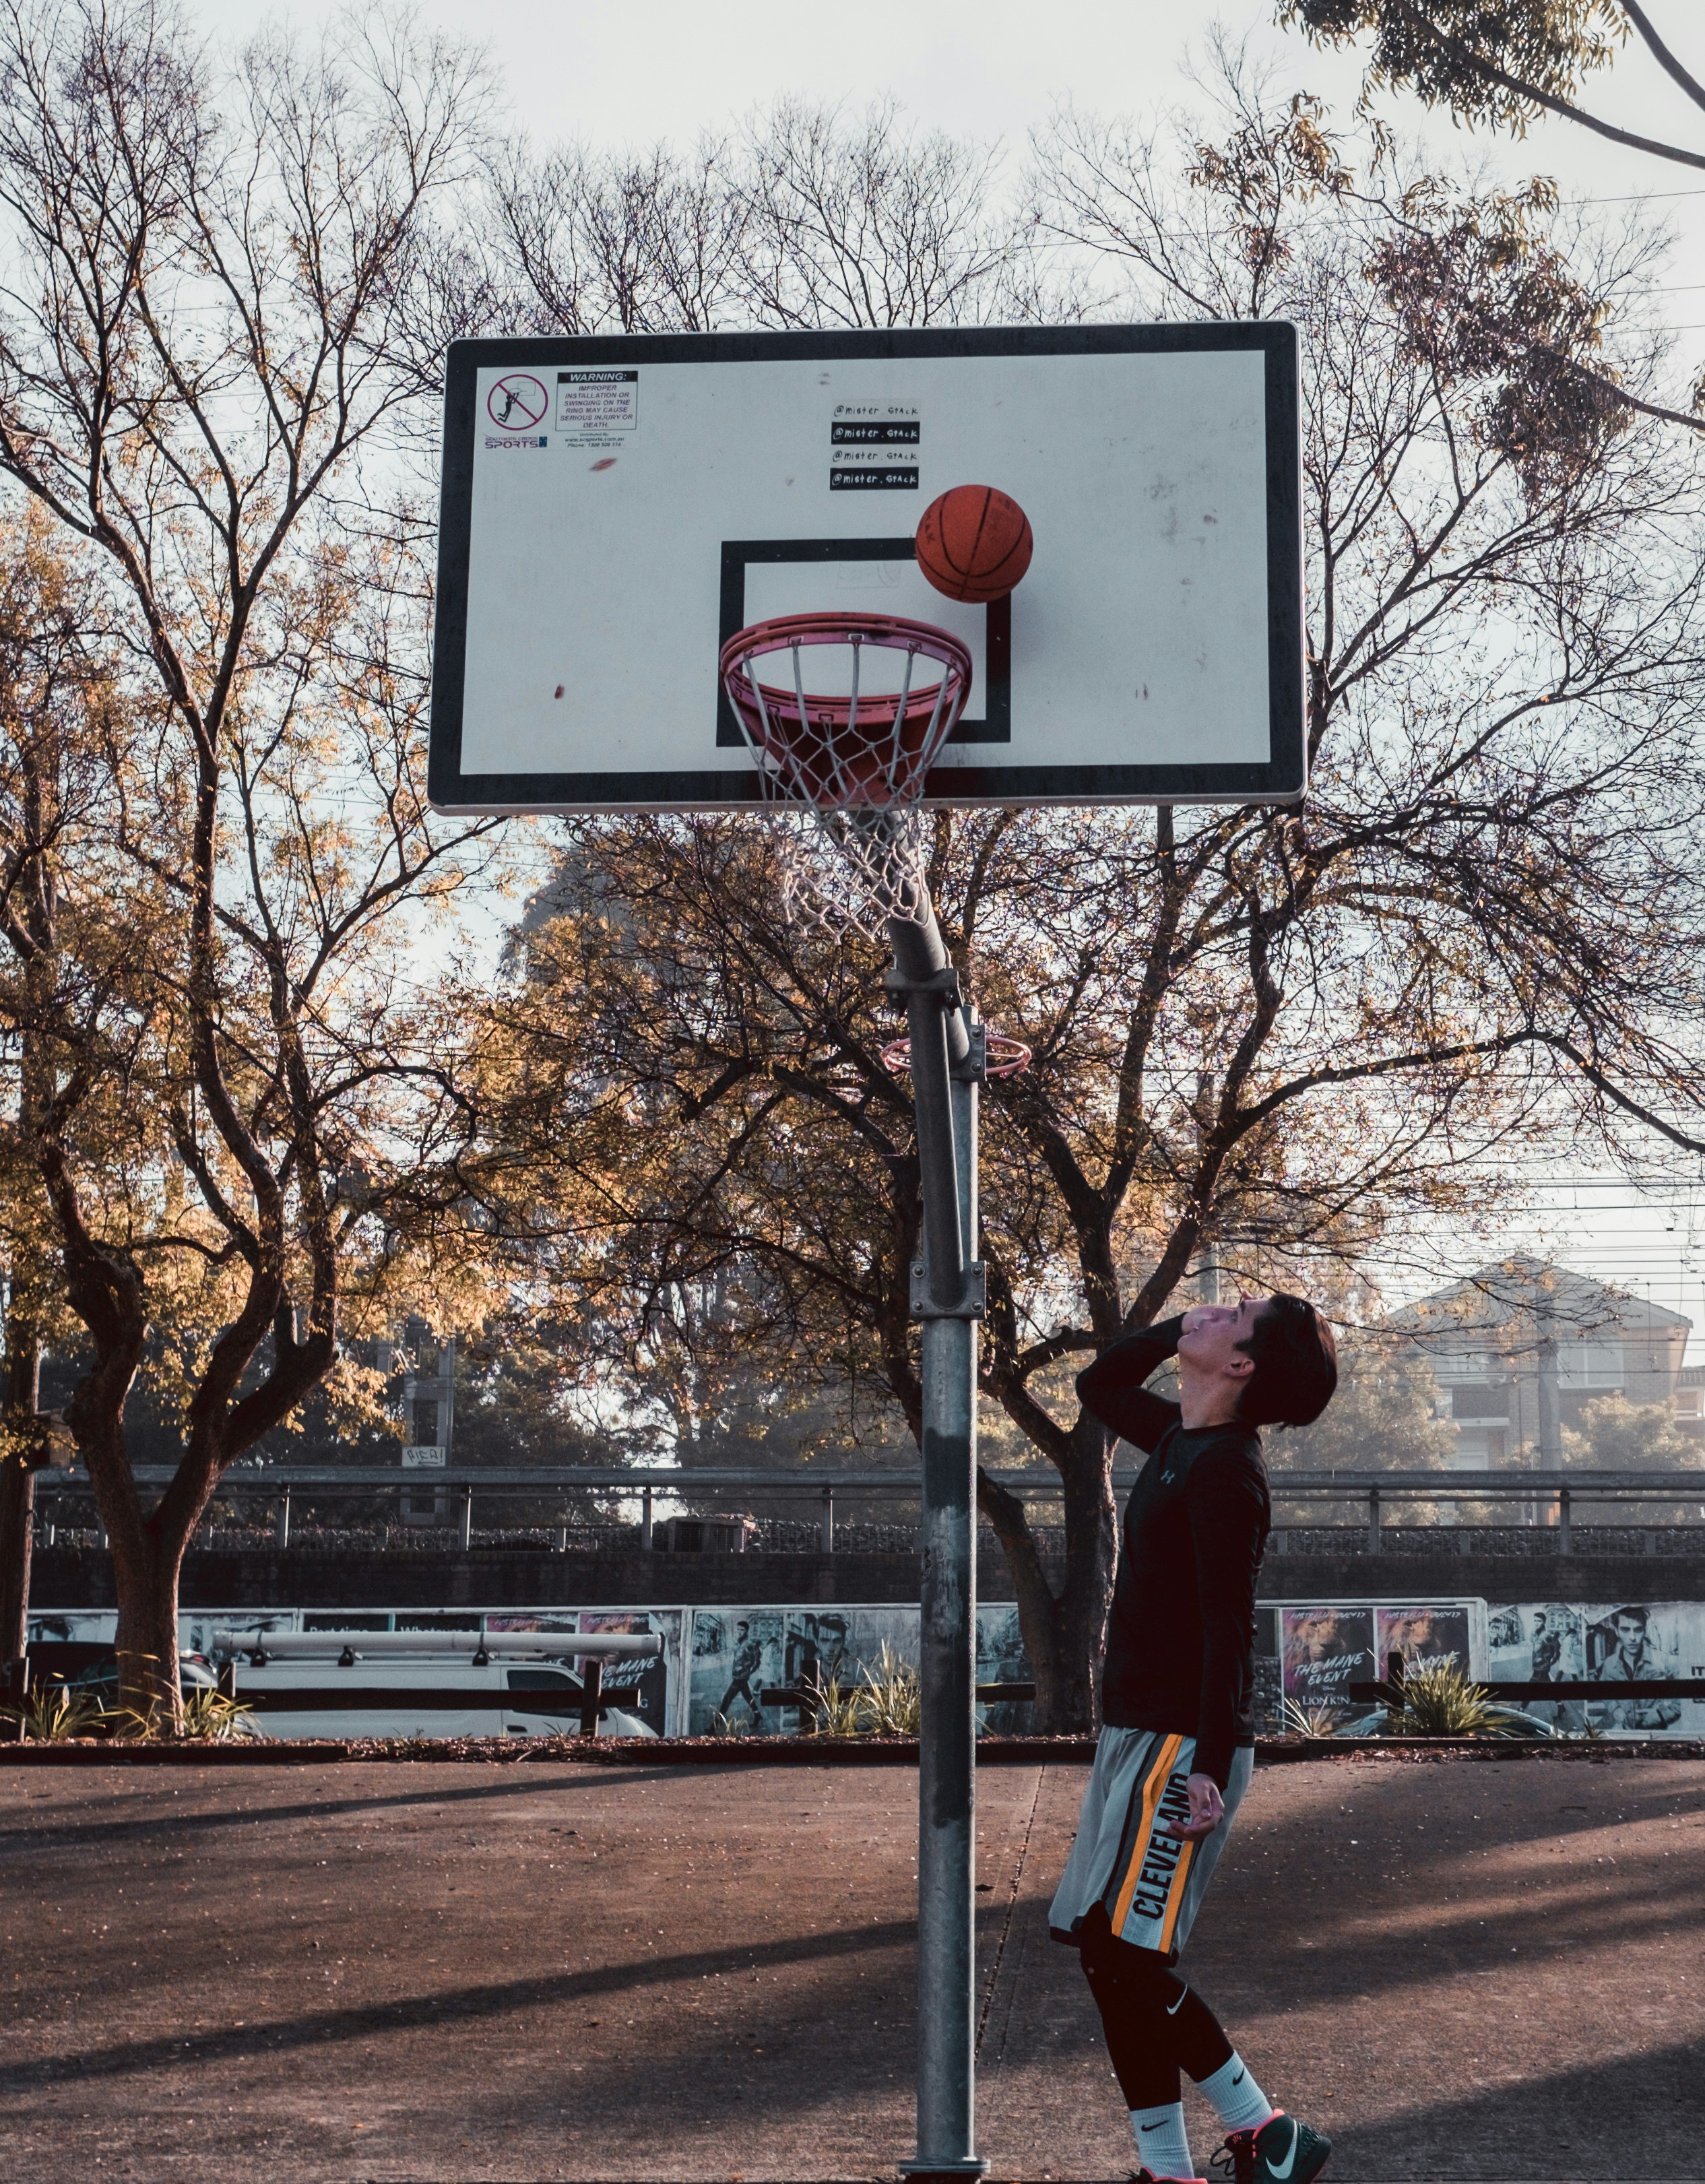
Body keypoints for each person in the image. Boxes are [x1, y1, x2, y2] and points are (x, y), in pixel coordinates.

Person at [1050, 1293, 1339, 2184]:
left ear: (1242, 1363)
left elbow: (1229, 1630)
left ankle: (1267, 2132)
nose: (1219, 1305)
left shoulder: (1226, 1474)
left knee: (1130, 1957)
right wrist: (1174, 1328)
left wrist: (1211, 1767)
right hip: (1135, 1731)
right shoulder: (1180, 1437)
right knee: (1108, 1954)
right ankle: (1169, 2166)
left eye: (1236, 1314)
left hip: (1184, 1747)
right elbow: (1097, 1380)